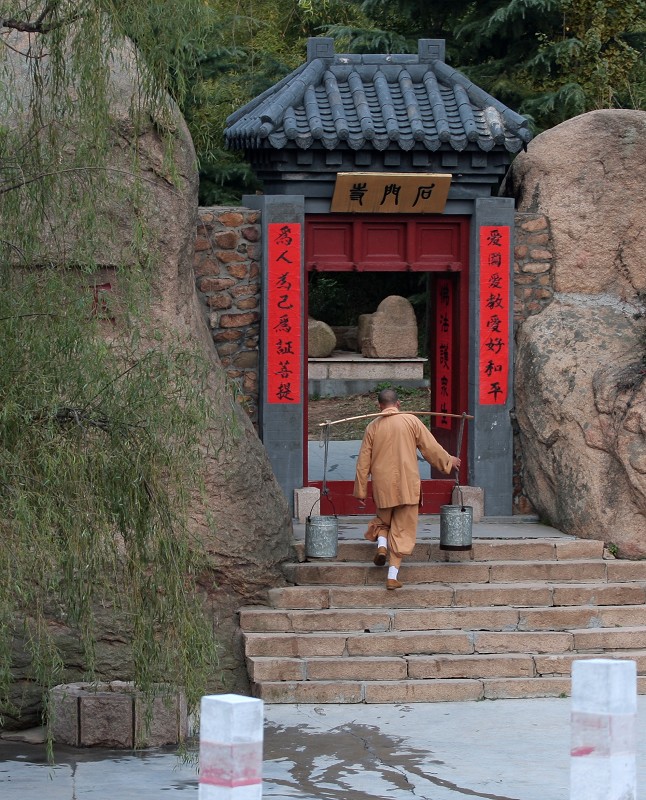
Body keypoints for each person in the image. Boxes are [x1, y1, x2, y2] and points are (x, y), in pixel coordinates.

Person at [353, 388, 461, 589]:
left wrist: (360, 490)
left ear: (379, 406)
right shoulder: (411, 421)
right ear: (399, 404)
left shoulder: (372, 427)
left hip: (383, 486)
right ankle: (392, 576)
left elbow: (363, 462)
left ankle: (382, 546)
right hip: (408, 486)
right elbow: (431, 447)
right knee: (403, 530)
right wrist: (449, 461)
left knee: (383, 522)